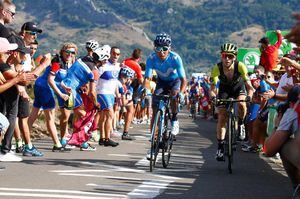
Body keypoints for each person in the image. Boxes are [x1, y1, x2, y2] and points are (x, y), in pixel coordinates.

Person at [142, 33, 187, 158]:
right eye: (158, 49)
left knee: (174, 95)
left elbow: (183, 79)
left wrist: (182, 93)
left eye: (164, 49)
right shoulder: (151, 59)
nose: (161, 52)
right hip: (161, 82)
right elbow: (147, 78)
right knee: (155, 111)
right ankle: (153, 145)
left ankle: (174, 118)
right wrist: (146, 91)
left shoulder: (175, 58)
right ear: (154, 48)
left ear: (169, 49)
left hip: (175, 81)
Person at [210, 43, 254, 161]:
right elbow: (213, 89)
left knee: (241, 104)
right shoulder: (217, 68)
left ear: (234, 57)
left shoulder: (240, 66)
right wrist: (213, 96)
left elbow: (250, 87)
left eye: (230, 56)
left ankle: (240, 124)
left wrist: (249, 96)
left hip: (238, 88)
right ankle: (220, 148)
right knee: (222, 116)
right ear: (221, 56)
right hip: (225, 90)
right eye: (225, 56)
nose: (227, 59)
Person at [264, 85, 300, 196]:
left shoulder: (293, 110)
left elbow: (269, 150)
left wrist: (276, 126)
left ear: (291, 103)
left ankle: (297, 186)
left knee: (283, 144)